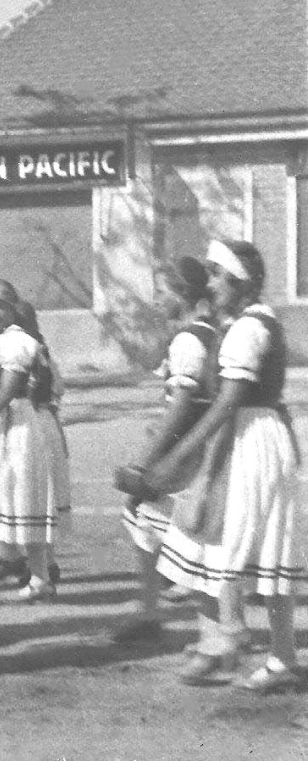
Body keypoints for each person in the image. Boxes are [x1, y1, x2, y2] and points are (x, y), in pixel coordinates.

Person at [138, 241, 307, 692]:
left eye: (217, 276)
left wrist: (179, 457)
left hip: (252, 441)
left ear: (241, 283)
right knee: (241, 543)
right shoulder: (249, 323)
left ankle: (242, 641)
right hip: (253, 435)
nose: (210, 285)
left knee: (234, 540)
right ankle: (245, 645)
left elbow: (227, 404)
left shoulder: (247, 330)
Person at [112, 257, 219, 644]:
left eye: (162, 292)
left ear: (183, 294)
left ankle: (192, 621)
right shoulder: (211, 332)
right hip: (202, 446)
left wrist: (145, 460)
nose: (156, 299)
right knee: (143, 515)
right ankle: (153, 608)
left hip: (187, 451)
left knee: (183, 531)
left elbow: (181, 407)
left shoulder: (188, 340)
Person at [0, 280, 59, 602]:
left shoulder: (17, 341)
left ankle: (40, 576)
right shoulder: (4, 339)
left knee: (24, 498)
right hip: (5, 422)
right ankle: (24, 566)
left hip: (16, 425)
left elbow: (8, 391)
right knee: (6, 498)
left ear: (13, 305)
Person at [13, 299, 71, 587]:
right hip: (47, 421)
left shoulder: (18, 351)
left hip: (28, 423)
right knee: (43, 495)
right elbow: (59, 387)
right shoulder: (42, 349)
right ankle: (46, 561)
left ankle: (35, 565)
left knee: (29, 494)